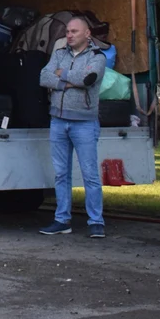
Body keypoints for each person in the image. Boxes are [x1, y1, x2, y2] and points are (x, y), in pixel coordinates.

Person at [38, 15, 107, 238]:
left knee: (90, 175)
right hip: (58, 121)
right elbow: (43, 77)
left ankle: (96, 221)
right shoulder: (58, 54)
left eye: (74, 31)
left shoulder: (97, 57)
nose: (69, 35)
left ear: (87, 34)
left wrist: (61, 75)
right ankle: (62, 220)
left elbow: (88, 79)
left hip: (85, 123)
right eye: (67, 31)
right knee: (61, 174)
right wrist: (69, 80)